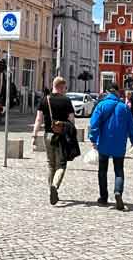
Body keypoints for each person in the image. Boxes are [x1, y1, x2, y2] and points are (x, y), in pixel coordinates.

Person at [88, 83, 133, 211]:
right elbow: (131, 125)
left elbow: (94, 124)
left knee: (102, 170)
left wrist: (93, 138)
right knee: (119, 170)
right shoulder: (124, 107)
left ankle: (103, 197)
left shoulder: (101, 105)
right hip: (119, 144)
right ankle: (118, 193)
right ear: (117, 92)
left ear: (107, 92)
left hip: (103, 142)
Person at [32, 76, 76, 205]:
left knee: (51, 164)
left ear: (53, 85)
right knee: (61, 165)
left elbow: (38, 119)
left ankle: (50, 189)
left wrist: (34, 136)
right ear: (61, 87)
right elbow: (72, 120)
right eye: (65, 88)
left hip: (48, 135)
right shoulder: (66, 100)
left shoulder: (44, 99)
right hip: (61, 136)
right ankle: (55, 187)